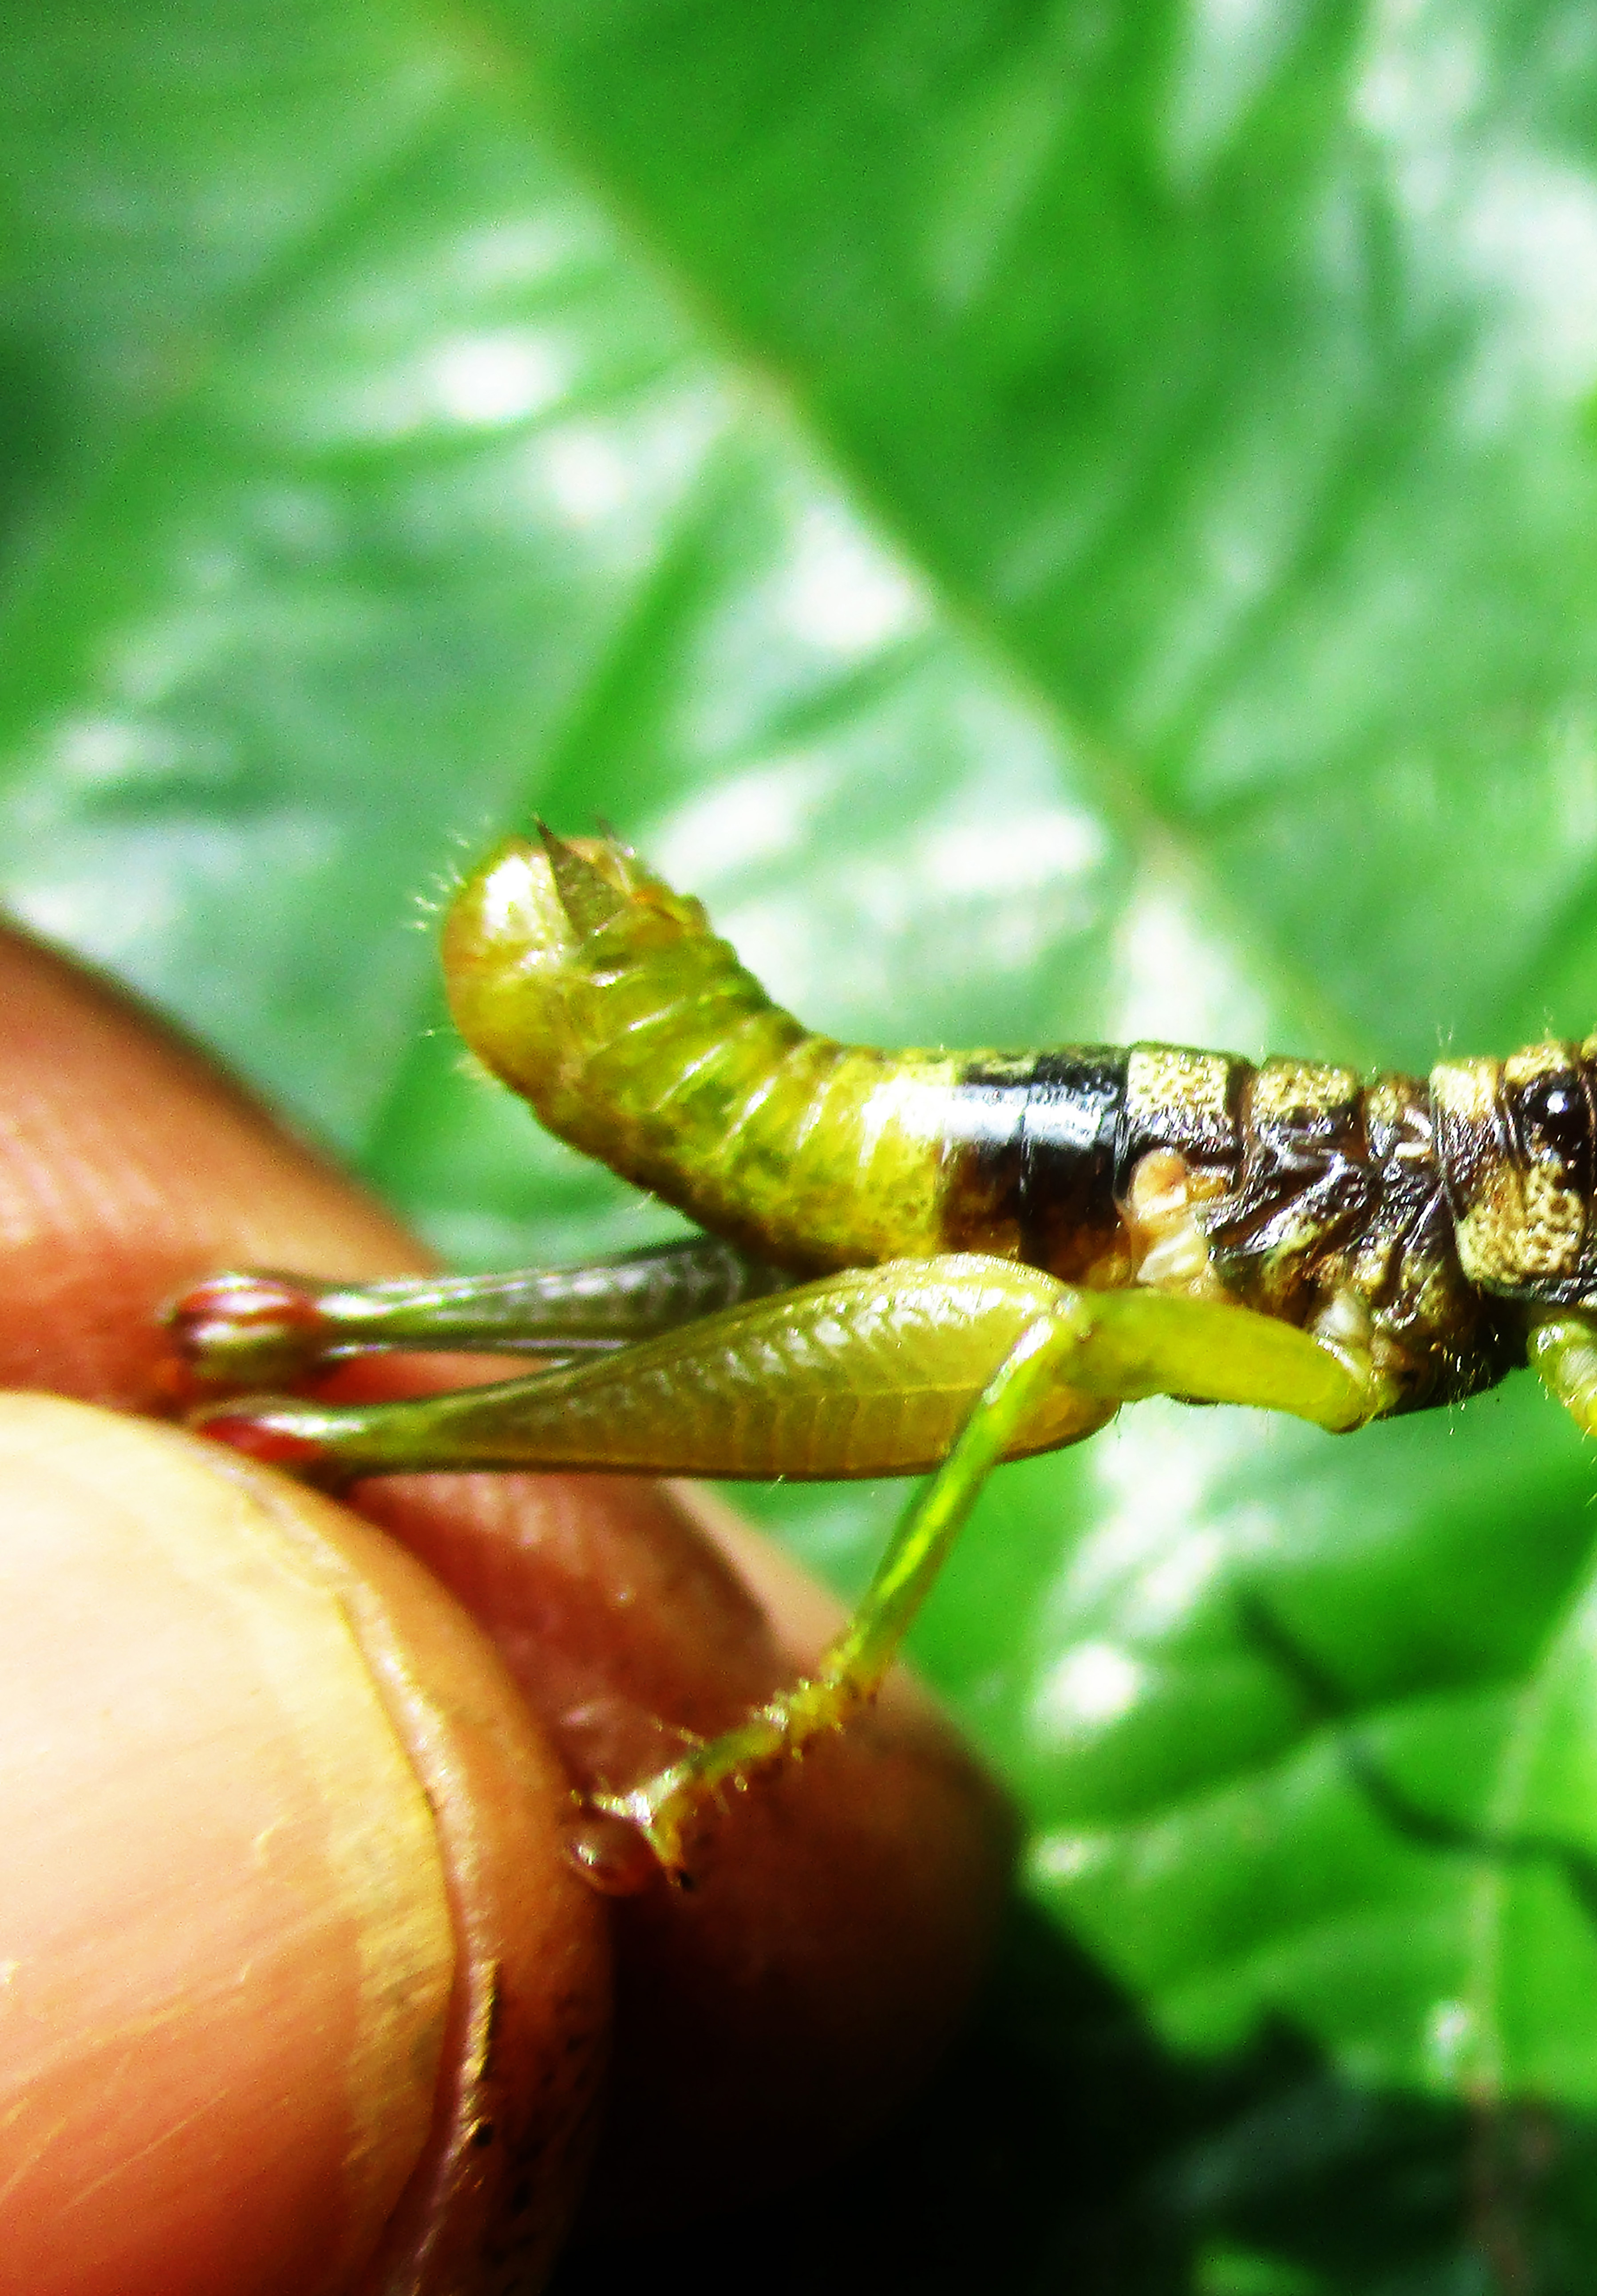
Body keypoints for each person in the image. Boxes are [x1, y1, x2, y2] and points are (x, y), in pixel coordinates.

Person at [0, 923, 1012, 2295]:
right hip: (1019, 1205)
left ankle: (320, 1363)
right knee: (1046, 1338)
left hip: (1051, 1211)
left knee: (1048, 1328)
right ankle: (332, 1378)